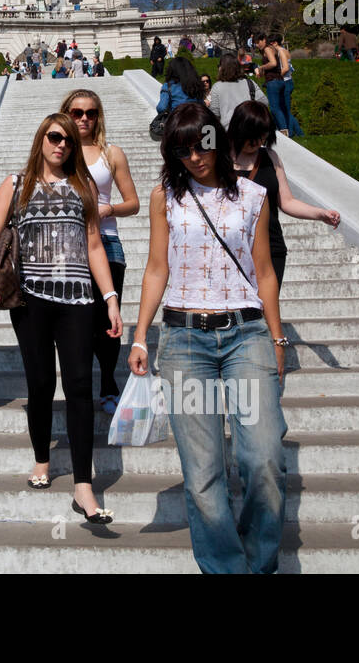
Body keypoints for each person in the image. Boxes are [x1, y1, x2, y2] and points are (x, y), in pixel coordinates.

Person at [126, 102, 289, 572]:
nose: (195, 156)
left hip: (246, 335)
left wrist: (277, 340)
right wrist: (140, 337)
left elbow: (264, 273)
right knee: (202, 475)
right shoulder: (165, 197)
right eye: (182, 149)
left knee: (263, 461)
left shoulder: (253, 196)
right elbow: (157, 269)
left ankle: (259, 564)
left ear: (219, 138)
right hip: (184, 340)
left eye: (203, 144)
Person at [0, 113, 122, 523]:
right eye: (55, 137)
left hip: (77, 299)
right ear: (41, 139)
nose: (62, 145)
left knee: (78, 385)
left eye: (69, 141)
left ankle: (83, 486)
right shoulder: (15, 185)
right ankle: (42, 457)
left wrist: (109, 298)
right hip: (30, 300)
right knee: (40, 384)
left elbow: (94, 246)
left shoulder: (84, 186)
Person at [63, 89, 141, 415]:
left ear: (99, 116)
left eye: (91, 113)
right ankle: (79, 387)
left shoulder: (112, 154)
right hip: (66, 247)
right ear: (66, 114)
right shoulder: (56, 149)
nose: (84, 119)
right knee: (76, 324)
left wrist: (108, 210)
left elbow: (133, 203)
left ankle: (108, 382)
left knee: (107, 321)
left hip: (106, 242)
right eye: (77, 112)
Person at [229, 101, 340, 289]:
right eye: (251, 136)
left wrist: (320, 214)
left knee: (264, 312)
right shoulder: (218, 161)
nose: (256, 142)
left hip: (271, 247)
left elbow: (287, 201)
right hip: (232, 247)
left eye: (261, 137)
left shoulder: (270, 158)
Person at [255, 34, 303, 137]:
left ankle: (284, 133)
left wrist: (261, 67)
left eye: (258, 42)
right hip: (280, 81)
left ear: (264, 40)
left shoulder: (268, 49)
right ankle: (291, 133)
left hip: (275, 81)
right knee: (282, 109)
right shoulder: (273, 49)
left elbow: (273, 63)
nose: (257, 45)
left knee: (275, 109)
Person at [208, 53, 269, 128]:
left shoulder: (217, 87)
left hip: (229, 130)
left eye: (219, 66)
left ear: (221, 68)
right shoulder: (249, 82)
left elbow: (214, 113)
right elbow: (264, 102)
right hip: (251, 126)